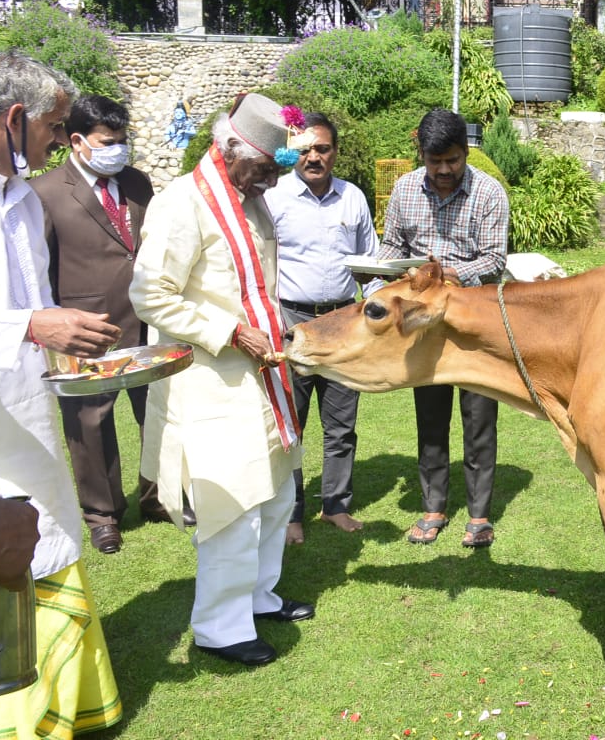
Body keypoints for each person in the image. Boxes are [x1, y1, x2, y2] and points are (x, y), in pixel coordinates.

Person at [130, 93, 314, 667]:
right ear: (230, 149)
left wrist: (274, 329)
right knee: (232, 503)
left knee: (278, 495)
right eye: (264, 169)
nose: (271, 182)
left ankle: (259, 596)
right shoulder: (181, 203)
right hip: (211, 377)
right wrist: (232, 332)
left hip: (263, 377)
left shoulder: (249, 197)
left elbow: (257, 285)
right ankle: (219, 627)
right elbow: (150, 294)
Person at [0, 50, 123, 736]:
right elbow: (21, 314)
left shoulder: (16, 196)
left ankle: (65, 707)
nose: (56, 140)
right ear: (14, 118)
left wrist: (61, 345)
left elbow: (30, 302)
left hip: (28, 411)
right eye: (52, 125)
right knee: (4, 551)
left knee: (51, 541)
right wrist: (32, 324)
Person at [32, 94, 191, 556]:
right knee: (90, 424)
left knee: (157, 415)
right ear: (77, 141)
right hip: (84, 326)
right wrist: (52, 326)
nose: (117, 150)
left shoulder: (138, 182)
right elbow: (42, 268)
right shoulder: (45, 192)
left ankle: (158, 495)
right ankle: (102, 515)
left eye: (123, 141)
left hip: (145, 323)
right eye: (108, 142)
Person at [379, 108, 509, 548]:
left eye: (452, 160)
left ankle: (479, 515)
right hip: (425, 327)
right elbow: (391, 247)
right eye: (435, 161)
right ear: (422, 153)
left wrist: (451, 277)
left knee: (479, 421)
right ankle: (434, 508)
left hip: (475, 326)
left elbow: (494, 260)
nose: (443, 171)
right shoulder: (404, 190)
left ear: (465, 152)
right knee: (430, 419)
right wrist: (391, 272)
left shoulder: (489, 193)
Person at [265, 113, 381, 544]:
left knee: (341, 424)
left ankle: (335, 505)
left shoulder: (352, 197)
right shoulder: (273, 197)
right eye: (305, 149)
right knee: (289, 427)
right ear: (292, 150)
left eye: (323, 149)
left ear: (335, 152)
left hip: (342, 323)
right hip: (291, 323)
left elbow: (369, 263)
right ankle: (291, 512)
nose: (314, 157)